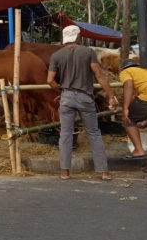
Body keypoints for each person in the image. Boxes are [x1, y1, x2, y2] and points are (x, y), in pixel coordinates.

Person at [47, 25, 119, 180]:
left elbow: (50, 80)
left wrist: (61, 91)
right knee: (93, 133)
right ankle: (103, 172)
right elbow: (99, 75)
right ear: (78, 37)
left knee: (65, 134)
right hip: (85, 97)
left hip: (66, 97)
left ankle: (65, 172)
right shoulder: (88, 52)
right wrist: (111, 96)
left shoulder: (57, 55)